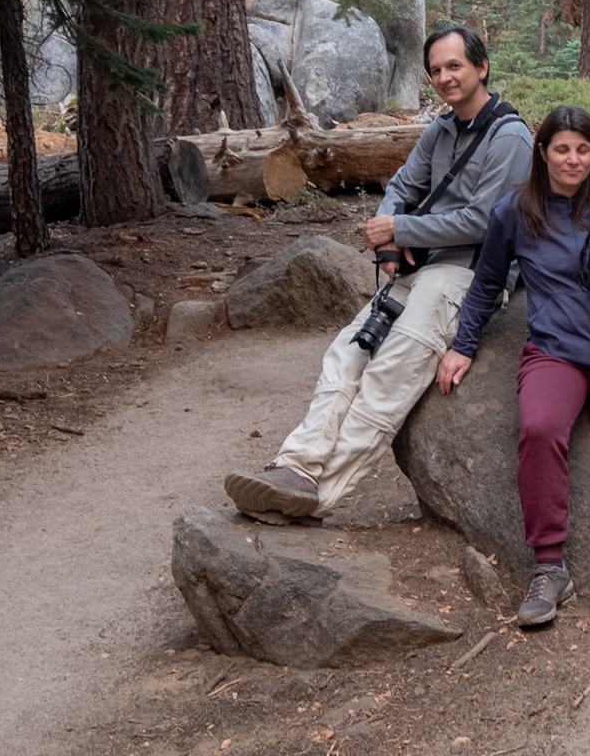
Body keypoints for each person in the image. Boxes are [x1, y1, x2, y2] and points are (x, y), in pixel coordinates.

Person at [224, 25, 534, 521]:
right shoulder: (441, 129)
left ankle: (318, 497)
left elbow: (485, 221)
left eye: (454, 66)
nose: (444, 77)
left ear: (482, 68)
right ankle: (295, 468)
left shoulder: (510, 138)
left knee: (389, 370)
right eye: (435, 70)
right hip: (420, 265)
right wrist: (390, 239)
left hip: (468, 275)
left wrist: (403, 229)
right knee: (347, 352)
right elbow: (401, 186)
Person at [436, 106, 590, 634]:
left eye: (583, 149)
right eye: (562, 149)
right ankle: (550, 567)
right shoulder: (516, 212)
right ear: (543, 152)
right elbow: (485, 284)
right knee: (539, 429)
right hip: (557, 350)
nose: (573, 160)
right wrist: (463, 345)